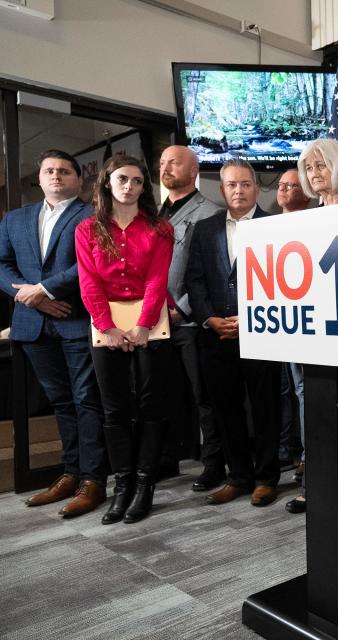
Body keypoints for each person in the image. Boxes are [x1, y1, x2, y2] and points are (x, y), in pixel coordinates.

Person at [0, 149, 106, 518]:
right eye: (49, 171)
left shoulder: (92, 215)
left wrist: (44, 290)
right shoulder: (16, 219)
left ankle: (93, 480)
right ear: (40, 178)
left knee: (86, 400)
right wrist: (29, 297)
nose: (56, 176)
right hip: (34, 324)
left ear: (79, 179)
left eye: (64, 171)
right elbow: (2, 264)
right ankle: (71, 472)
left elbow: (89, 264)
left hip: (77, 320)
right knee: (61, 402)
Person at [75, 155, 174, 525]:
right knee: (114, 409)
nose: (129, 186)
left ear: (144, 187)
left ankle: (145, 486)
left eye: (136, 180)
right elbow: (88, 282)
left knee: (151, 405)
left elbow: (156, 279)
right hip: (107, 323)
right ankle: (122, 486)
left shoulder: (160, 228)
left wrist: (143, 325)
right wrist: (108, 326)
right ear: (106, 183)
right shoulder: (87, 230)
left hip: (150, 323)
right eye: (122, 179)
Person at [185, 158, 282, 508]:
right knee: (226, 410)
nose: (238, 190)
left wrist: (252, 316)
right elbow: (194, 281)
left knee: (266, 408)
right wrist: (209, 318)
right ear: (222, 189)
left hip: (262, 331)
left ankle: (267, 478)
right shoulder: (205, 228)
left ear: (256, 188)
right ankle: (238, 476)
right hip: (215, 335)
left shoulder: (275, 226)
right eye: (231, 185)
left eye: (244, 184)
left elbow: (284, 283)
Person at [281, 142, 338, 515]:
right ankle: (315, 484)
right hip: (309, 329)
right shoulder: (305, 218)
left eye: (321, 165)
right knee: (309, 405)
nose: (314, 174)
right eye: (308, 168)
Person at [157, 144, 224, 491]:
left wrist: (180, 308)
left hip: (189, 322)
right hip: (153, 324)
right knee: (164, 394)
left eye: (175, 162)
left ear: (194, 169)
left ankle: (214, 464)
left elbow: (209, 273)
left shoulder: (210, 213)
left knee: (205, 397)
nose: (166, 167)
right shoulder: (151, 215)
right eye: (163, 162)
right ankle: (167, 460)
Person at [274, 168, 310, 479]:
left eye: (292, 185)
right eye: (282, 184)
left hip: (304, 322)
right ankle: (284, 450)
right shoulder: (266, 227)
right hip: (273, 323)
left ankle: (307, 457)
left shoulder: (313, 223)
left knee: (302, 390)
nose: (284, 188)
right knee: (281, 391)